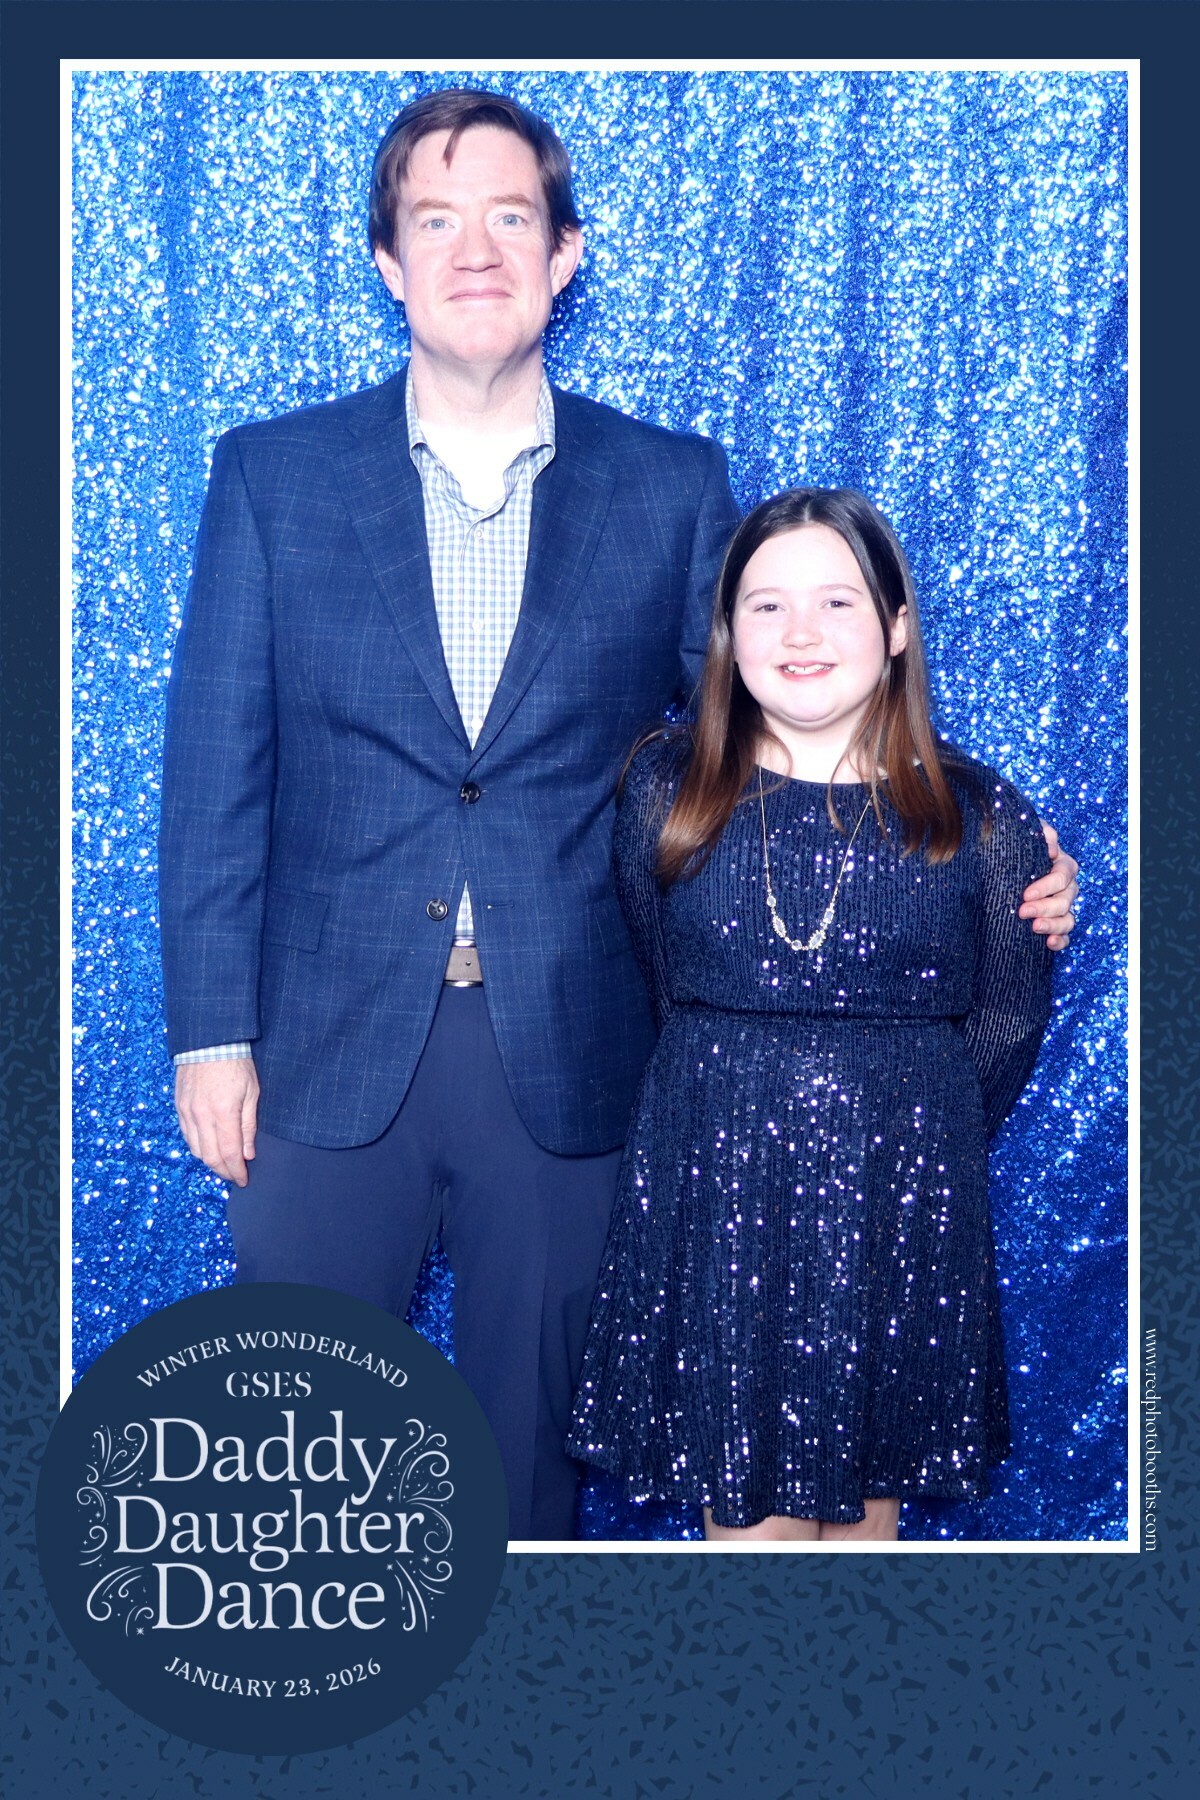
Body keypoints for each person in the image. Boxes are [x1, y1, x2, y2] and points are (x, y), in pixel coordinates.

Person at [158, 90, 1079, 1543]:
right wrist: (210, 1033)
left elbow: (781, 694)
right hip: (321, 1050)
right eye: (435, 221)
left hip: (573, 1057)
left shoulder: (667, 482)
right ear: (388, 263)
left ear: (564, 254)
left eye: (510, 216)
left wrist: (980, 835)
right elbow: (215, 772)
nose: (475, 249)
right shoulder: (272, 475)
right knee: (304, 1462)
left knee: (527, 1469)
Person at [568, 488, 1058, 1542]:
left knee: (869, 1520)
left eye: (837, 603)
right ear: (726, 633)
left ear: (896, 627)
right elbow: (658, 984)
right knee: (748, 1526)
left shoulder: (979, 815)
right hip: (718, 1198)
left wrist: (908, 1132)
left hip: (900, 1204)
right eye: (766, 606)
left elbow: (1009, 1021)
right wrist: (738, 1104)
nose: (800, 634)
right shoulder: (664, 792)